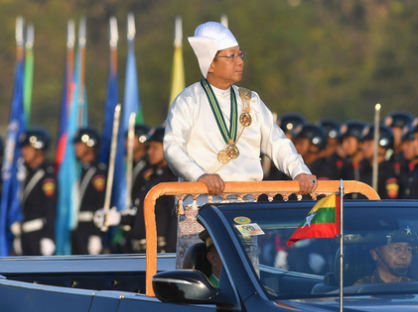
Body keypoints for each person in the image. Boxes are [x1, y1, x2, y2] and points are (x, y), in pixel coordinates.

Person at [164, 21, 316, 195]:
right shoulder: (188, 100)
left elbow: (277, 143)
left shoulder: (250, 100)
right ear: (210, 64)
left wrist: (300, 172)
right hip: (201, 202)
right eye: (231, 56)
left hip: (248, 200)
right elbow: (173, 147)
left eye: (240, 55)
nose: (239, 62)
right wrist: (200, 176)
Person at [95, 126, 178, 253]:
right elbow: (143, 215)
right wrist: (118, 218)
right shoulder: (150, 177)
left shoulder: (173, 180)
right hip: (139, 250)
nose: (149, 152)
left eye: (154, 148)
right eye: (148, 147)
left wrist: (170, 252)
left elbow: (175, 219)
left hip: (159, 251)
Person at [11, 128, 57, 256]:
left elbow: (50, 208)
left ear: (39, 149)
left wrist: (48, 236)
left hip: (39, 236)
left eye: (28, 148)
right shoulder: (26, 173)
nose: (24, 152)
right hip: (25, 235)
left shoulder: (46, 175)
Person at [72, 127, 107, 255]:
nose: (76, 147)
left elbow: (101, 202)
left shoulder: (98, 172)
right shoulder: (79, 170)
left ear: (90, 145)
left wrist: (96, 234)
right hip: (77, 228)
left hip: (90, 227)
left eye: (80, 144)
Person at [358, 124, 400, 199]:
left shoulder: (389, 172)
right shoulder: (363, 169)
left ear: (382, 147)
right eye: (363, 143)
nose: (363, 147)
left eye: (368, 144)